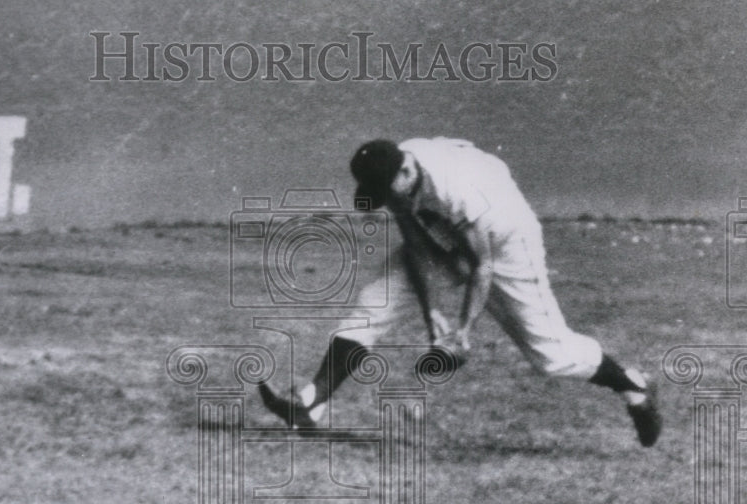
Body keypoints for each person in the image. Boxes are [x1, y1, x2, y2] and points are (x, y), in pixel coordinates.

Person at [258, 136, 662, 447]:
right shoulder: (399, 172)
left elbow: (479, 266)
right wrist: (431, 313)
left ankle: (633, 385)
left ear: (405, 173)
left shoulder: (455, 187)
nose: (386, 203)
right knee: (372, 305)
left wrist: (462, 332)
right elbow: (417, 246)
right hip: (445, 233)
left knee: (551, 356)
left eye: (387, 194)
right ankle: (313, 403)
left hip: (506, 243)